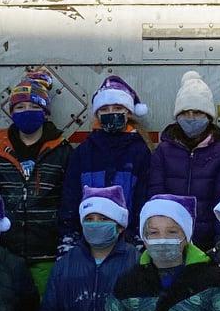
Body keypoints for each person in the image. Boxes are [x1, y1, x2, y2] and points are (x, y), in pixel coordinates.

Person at [0, 70, 71, 301]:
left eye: (35, 107)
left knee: (45, 309)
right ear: (11, 113)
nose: (27, 112)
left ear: (45, 113)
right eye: (20, 108)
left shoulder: (61, 150)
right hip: (6, 251)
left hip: (46, 251)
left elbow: (69, 198)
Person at [144, 71, 220, 251]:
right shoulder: (163, 152)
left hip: (207, 243)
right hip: (171, 241)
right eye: (185, 113)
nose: (191, 118)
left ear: (208, 116)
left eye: (197, 112)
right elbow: (155, 197)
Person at [56, 74, 151, 244]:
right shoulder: (83, 152)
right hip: (88, 242)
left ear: (128, 112)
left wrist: (137, 238)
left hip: (127, 242)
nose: (111, 113)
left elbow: (144, 197)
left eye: (117, 108)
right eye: (105, 109)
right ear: (97, 113)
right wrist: (69, 237)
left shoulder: (141, 151)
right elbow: (70, 197)